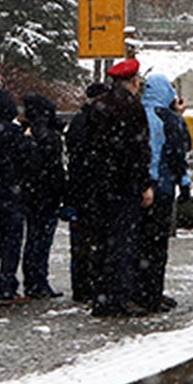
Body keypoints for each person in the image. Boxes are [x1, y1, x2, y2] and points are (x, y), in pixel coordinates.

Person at [85, 59, 153, 317]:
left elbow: (90, 147)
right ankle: (118, 298)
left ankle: (100, 296)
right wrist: (144, 184)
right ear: (134, 82)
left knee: (102, 241)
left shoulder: (99, 106)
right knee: (123, 242)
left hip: (102, 184)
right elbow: (139, 150)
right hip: (125, 184)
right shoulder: (132, 108)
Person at [135, 74, 190, 313]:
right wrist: (185, 184)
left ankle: (137, 292)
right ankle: (152, 294)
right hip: (163, 189)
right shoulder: (169, 120)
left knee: (138, 242)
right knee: (157, 246)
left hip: (137, 189)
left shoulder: (135, 114)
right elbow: (181, 150)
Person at [63, 81, 110, 303]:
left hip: (78, 187)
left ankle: (80, 286)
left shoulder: (77, 122)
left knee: (80, 243)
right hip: (95, 188)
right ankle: (95, 285)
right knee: (98, 239)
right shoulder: (99, 121)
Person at [19, 95, 66, 299]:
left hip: (31, 193)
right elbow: (53, 169)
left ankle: (33, 280)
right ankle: (38, 281)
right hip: (47, 194)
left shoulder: (27, 133)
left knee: (33, 239)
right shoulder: (50, 136)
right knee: (42, 239)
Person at [0, 88, 28, 304]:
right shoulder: (15, 136)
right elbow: (28, 162)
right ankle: (7, 286)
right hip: (10, 194)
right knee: (11, 242)